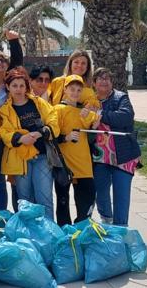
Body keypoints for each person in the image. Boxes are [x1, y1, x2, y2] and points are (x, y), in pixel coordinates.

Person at [0, 69, 58, 218]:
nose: (18, 89)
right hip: (20, 159)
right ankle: (28, 236)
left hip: (42, 157)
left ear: (26, 87)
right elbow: (3, 132)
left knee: (44, 198)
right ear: (8, 87)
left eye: (21, 85)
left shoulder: (38, 103)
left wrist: (41, 132)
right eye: (14, 86)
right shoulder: (5, 110)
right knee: (25, 200)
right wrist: (20, 138)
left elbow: (53, 120)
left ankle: (49, 234)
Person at [92, 67, 140, 226]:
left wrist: (100, 115)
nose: (104, 81)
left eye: (107, 78)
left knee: (121, 194)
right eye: (100, 78)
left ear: (112, 82)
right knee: (101, 191)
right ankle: (106, 219)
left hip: (124, 155)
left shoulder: (121, 98)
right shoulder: (89, 100)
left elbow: (125, 117)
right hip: (99, 157)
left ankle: (121, 228)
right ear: (94, 83)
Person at [53, 75, 100, 225]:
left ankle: (82, 229)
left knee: (87, 198)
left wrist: (96, 121)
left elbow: (94, 131)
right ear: (65, 89)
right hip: (64, 165)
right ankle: (64, 232)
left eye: (79, 90)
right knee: (62, 201)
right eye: (72, 89)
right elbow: (51, 135)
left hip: (84, 165)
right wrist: (65, 137)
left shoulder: (84, 112)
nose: (75, 93)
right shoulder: (57, 110)